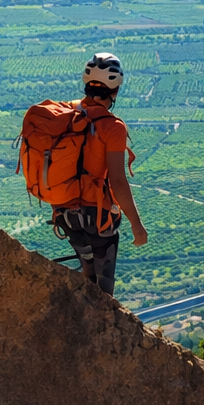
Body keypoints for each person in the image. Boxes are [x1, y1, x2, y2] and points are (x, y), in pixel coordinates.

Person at [51, 52, 147, 295]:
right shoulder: (113, 127)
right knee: (104, 284)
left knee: (87, 271)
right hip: (97, 216)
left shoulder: (66, 113)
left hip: (65, 211)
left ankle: (85, 319)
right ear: (114, 91)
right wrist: (136, 224)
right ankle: (104, 324)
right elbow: (117, 180)